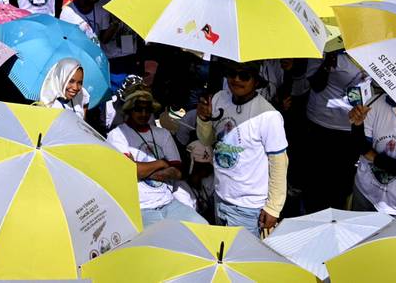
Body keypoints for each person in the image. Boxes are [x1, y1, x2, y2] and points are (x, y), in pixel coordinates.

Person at [196, 62, 288, 237]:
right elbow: (206, 140)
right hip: (220, 196)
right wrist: (204, 118)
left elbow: (279, 164)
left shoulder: (269, 116)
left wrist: (273, 208)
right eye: (232, 74)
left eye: (244, 76)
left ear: (256, 81)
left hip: (248, 208)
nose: (236, 80)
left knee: (242, 261)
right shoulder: (218, 99)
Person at [107, 88, 206, 226]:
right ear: (129, 110)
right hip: (140, 208)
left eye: (147, 110)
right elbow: (129, 171)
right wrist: (162, 162)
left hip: (168, 202)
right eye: (138, 109)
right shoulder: (117, 135)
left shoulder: (162, 133)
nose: (144, 114)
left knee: (202, 226)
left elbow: (178, 172)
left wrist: (141, 171)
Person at [301, 52, 366, 211]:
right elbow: (315, 84)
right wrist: (327, 64)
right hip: (320, 125)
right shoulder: (327, 47)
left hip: (351, 128)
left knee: (340, 187)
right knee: (315, 185)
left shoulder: (371, 49)